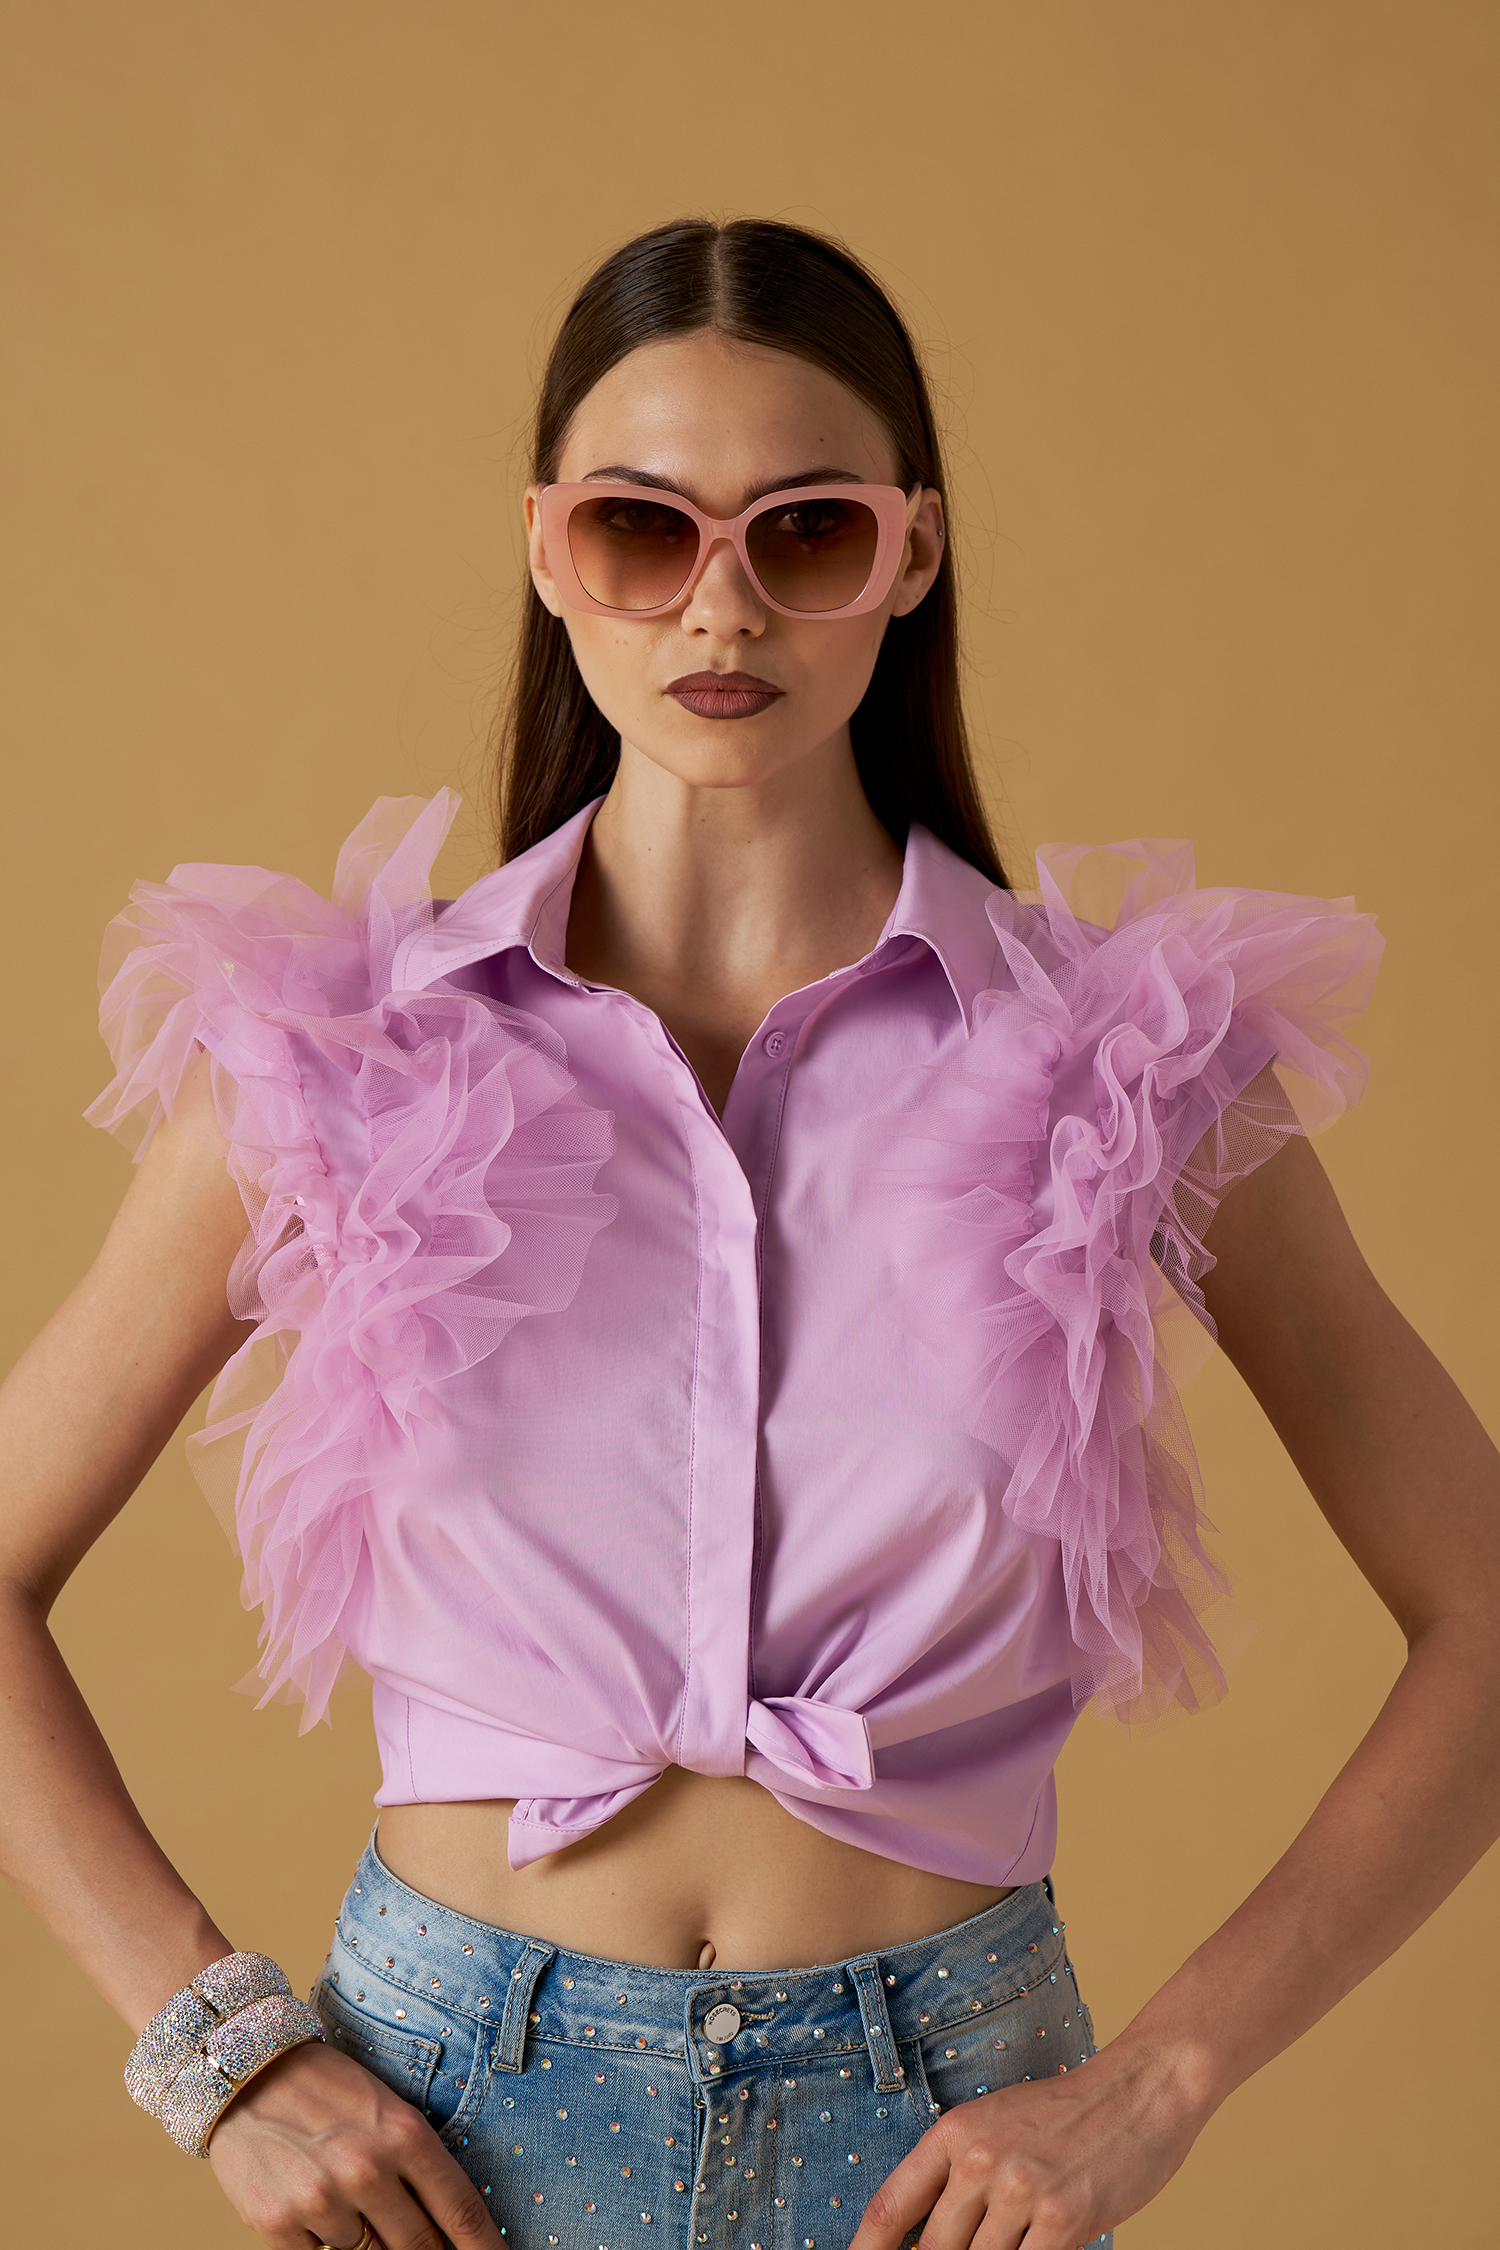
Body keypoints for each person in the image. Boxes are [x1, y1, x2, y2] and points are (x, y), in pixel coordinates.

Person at [3, 215, 1497, 2250]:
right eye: (643, 528)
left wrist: (1160, 2080)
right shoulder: (333, 1058)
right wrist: (220, 2052)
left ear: (912, 551)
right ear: (548, 553)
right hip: (449, 2135)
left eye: (805, 532)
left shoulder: (1126, 1068)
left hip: (945, 2148)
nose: (722, 603)